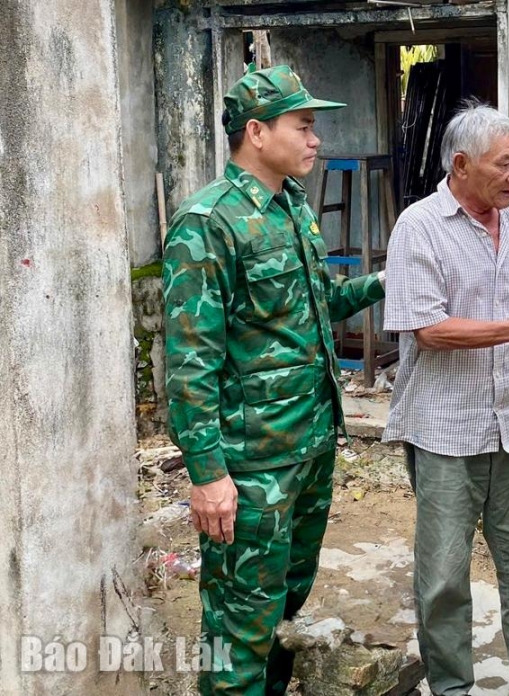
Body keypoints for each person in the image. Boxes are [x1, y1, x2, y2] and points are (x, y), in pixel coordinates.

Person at [162, 65, 386, 695]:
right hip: (251, 463)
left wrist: (388, 284)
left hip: (308, 448)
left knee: (284, 604)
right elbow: (190, 361)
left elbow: (315, 306)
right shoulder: (209, 222)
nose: (316, 139)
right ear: (256, 132)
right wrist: (207, 474)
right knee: (239, 626)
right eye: (304, 125)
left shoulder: (290, 206)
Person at [381, 102, 509, 696]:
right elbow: (428, 330)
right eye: (505, 164)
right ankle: (450, 685)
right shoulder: (419, 227)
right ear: (462, 165)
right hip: (446, 428)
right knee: (443, 574)